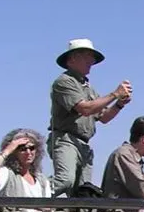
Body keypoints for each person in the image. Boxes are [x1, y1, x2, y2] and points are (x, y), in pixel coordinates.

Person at [47, 38, 133, 196]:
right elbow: (85, 109)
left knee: (82, 192)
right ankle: (31, 195)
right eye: (87, 56)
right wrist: (115, 94)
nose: (91, 61)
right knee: (65, 180)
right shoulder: (64, 82)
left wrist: (120, 104)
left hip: (84, 144)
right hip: (66, 139)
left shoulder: (88, 88)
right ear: (72, 59)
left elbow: (104, 117)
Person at [0, 128, 51, 197]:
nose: (28, 152)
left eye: (32, 148)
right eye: (23, 149)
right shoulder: (6, 175)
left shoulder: (42, 181)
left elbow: (48, 207)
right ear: (13, 152)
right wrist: (7, 150)